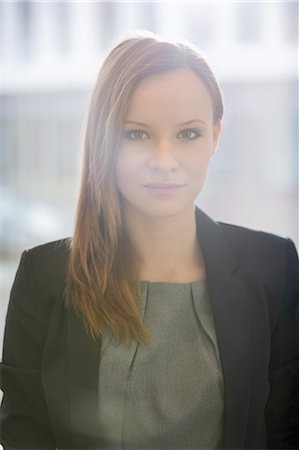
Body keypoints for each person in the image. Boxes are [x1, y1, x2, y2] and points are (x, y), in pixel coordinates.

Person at [0, 31, 298, 450]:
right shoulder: (43, 278)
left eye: (188, 134)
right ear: (104, 140)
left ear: (215, 136)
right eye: (137, 134)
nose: (164, 161)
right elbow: (24, 437)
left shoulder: (275, 266)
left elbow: (285, 432)